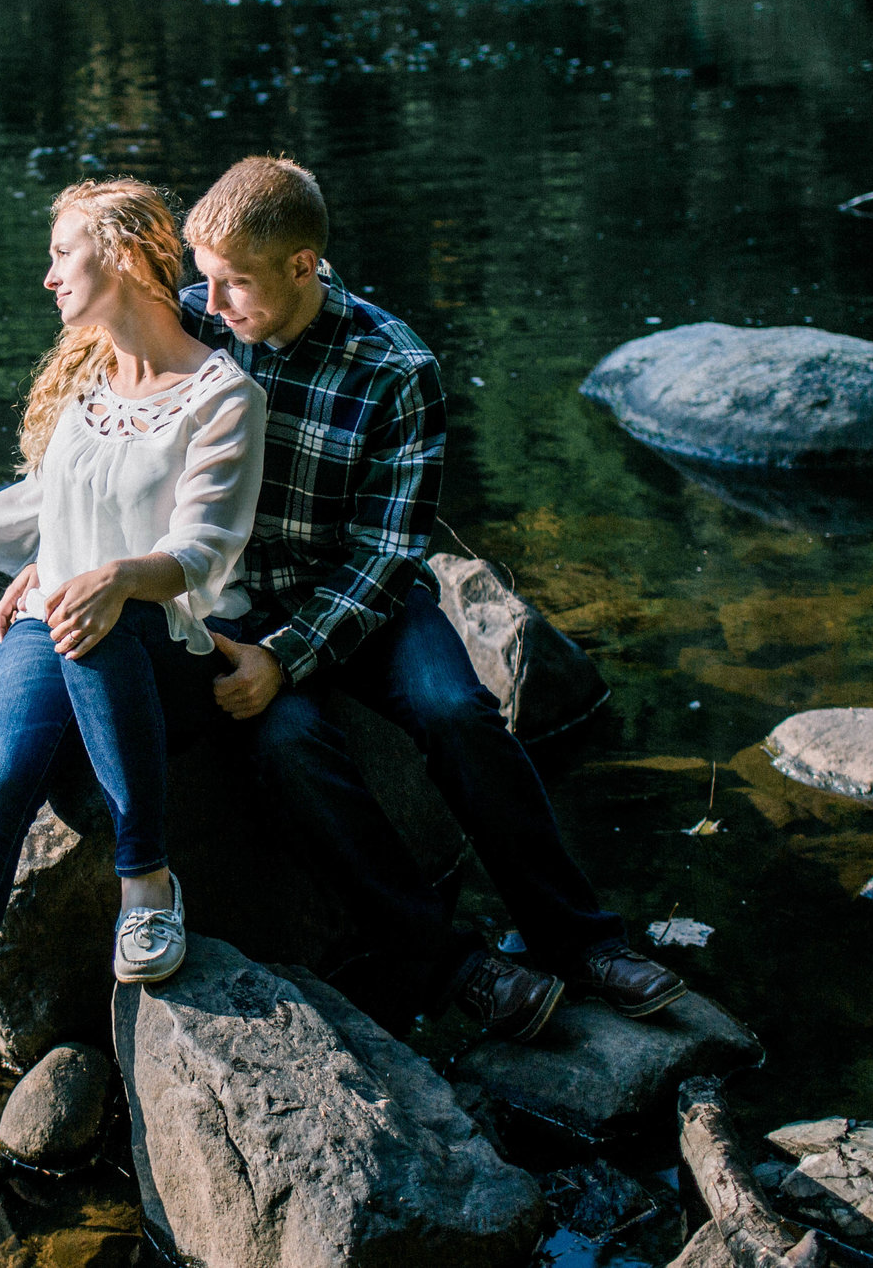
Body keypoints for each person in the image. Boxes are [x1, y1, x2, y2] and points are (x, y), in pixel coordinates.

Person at [178, 155, 684, 1041]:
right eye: (204, 278)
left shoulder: (396, 365)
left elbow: (386, 554)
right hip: (240, 604)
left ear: (303, 267)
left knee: (457, 709)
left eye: (233, 283)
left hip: (363, 600)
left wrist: (289, 656)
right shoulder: (195, 325)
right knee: (290, 747)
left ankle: (579, 938)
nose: (211, 304)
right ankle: (454, 963)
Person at [0, 178, 268, 1186]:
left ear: (117, 255)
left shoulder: (223, 396)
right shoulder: (90, 383)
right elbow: (46, 498)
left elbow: (203, 547)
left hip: (165, 644)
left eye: (60, 251)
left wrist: (111, 574)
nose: (46, 271)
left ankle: (146, 878)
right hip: (57, 624)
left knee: (86, 620)